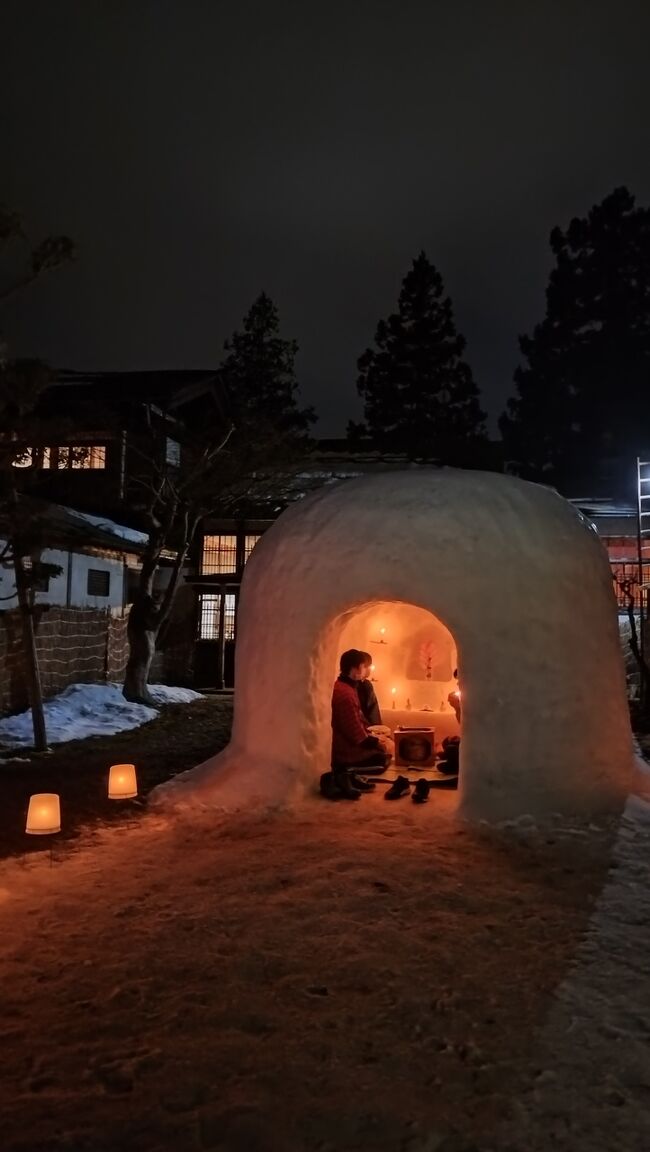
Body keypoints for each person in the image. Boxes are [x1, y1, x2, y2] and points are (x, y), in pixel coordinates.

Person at [326, 649, 394, 799]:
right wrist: (378, 743)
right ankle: (346, 773)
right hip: (346, 750)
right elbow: (356, 735)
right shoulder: (345, 694)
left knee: (386, 748)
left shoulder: (345, 687)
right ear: (356, 668)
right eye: (364, 667)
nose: (366, 671)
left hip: (351, 741)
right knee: (383, 756)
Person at [356, 650, 382, 726]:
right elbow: (373, 712)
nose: (370, 669)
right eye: (368, 666)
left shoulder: (365, 684)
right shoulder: (365, 685)